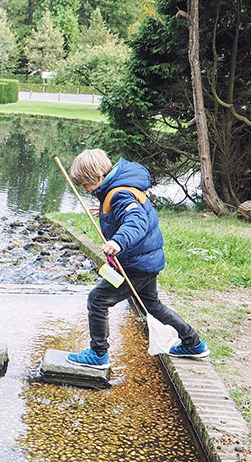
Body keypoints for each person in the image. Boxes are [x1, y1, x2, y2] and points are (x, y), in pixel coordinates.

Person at [66, 149, 209, 369]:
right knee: (153, 306)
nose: (85, 190)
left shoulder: (120, 194)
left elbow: (136, 222)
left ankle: (98, 354)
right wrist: (107, 212)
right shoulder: (117, 188)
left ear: (97, 177)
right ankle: (193, 343)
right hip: (146, 261)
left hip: (137, 265)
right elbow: (125, 211)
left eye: (85, 185)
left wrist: (118, 241)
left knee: (98, 299)